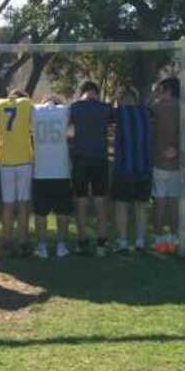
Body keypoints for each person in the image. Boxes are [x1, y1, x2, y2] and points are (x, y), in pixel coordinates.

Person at [150, 77, 185, 254]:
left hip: (158, 164)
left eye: (160, 89)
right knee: (173, 203)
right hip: (177, 166)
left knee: (159, 202)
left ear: (167, 90)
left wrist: (152, 96)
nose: (158, 93)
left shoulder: (156, 108)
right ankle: (173, 240)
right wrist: (180, 151)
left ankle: (159, 241)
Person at [69, 80, 114, 257]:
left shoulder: (74, 108)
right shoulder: (105, 108)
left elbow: (67, 129)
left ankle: (82, 242)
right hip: (100, 160)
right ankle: (101, 243)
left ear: (82, 92)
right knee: (101, 201)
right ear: (96, 92)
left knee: (81, 201)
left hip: (80, 160)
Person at [111, 85, 152, 252]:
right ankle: (140, 241)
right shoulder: (146, 113)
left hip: (123, 167)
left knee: (121, 204)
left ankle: (123, 242)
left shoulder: (118, 113)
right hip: (144, 168)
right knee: (141, 205)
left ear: (120, 99)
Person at [0, 88, 34, 257]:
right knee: (23, 203)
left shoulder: (0, 104)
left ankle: (7, 240)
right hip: (24, 159)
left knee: (8, 205)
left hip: (6, 160)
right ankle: (23, 241)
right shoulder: (26, 103)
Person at [31, 96, 72, 259]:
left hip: (41, 171)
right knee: (62, 212)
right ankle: (61, 245)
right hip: (61, 171)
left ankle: (42, 246)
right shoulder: (64, 110)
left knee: (40, 213)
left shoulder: (35, 110)